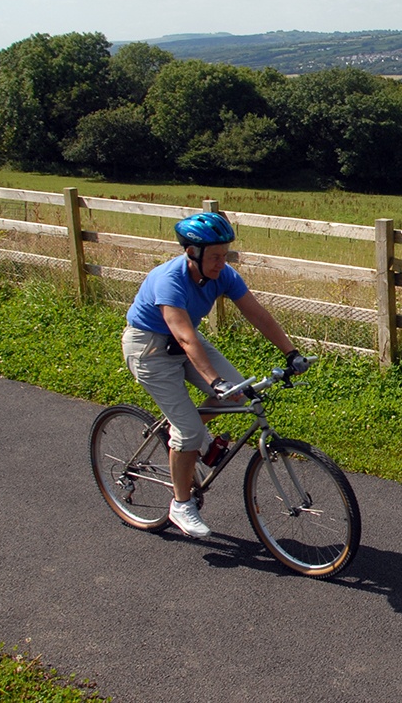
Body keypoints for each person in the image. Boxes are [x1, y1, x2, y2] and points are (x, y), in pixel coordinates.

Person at [122, 211, 310, 538]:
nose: (221, 263)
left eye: (225, 255)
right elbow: (183, 336)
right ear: (192, 253)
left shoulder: (223, 275)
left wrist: (291, 352)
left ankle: (178, 433)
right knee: (192, 430)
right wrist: (213, 381)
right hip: (149, 347)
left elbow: (257, 314)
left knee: (237, 393)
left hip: (185, 343)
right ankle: (181, 504)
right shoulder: (169, 279)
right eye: (214, 256)